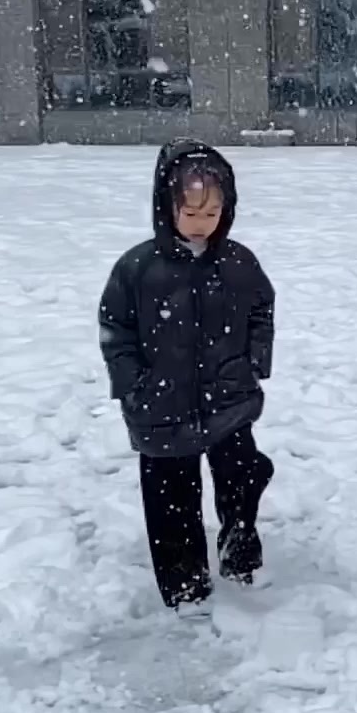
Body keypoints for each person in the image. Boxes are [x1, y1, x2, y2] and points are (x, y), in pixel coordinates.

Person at [98, 139, 277, 612]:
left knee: (240, 477)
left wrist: (256, 358)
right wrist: (133, 384)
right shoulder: (139, 268)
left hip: (229, 399)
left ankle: (239, 555)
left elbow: (261, 308)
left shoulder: (238, 263)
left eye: (213, 212)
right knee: (171, 499)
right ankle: (184, 588)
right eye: (191, 213)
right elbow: (116, 329)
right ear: (166, 207)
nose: (203, 224)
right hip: (161, 406)